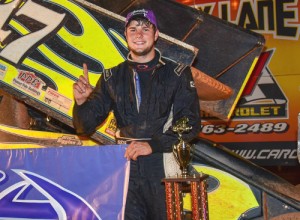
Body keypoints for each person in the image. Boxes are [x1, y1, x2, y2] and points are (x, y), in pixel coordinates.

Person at [72, 9, 200, 220]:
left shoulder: (177, 73)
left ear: (156, 34)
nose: (139, 34)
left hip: (162, 164)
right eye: (133, 29)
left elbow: (190, 123)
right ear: (126, 35)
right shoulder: (111, 76)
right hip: (125, 166)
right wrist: (81, 102)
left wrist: (153, 145)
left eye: (145, 28)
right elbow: (83, 127)